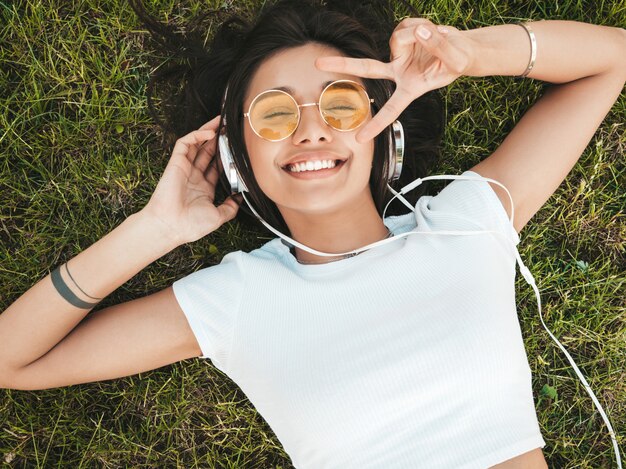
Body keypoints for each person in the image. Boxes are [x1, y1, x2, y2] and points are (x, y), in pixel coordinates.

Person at [1, 0, 624, 467]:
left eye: (341, 106)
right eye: (274, 113)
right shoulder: (236, 300)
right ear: (236, 155)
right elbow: (11, 362)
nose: (311, 130)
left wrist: (475, 54)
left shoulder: (466, 223)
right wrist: (153, 230)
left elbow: (612, 59)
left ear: (384, 127)